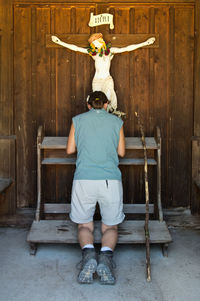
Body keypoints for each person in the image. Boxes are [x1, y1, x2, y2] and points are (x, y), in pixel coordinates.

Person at [66, 91, 126, 284]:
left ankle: (89, 257)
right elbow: (122, 152)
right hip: (110, 180)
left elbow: (70, 150)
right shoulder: (117, 122)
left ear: (89, 105)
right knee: (110, 226)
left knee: (84, 224)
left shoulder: (77, 120)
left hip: (84, 179)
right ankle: (106, 261)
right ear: (107, 104)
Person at [52, 33, 155, 114]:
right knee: (96, 100)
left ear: (101, 42)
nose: (96, 45)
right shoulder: (94, 54)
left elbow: (127, 48)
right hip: (97, 81)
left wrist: (145, 43)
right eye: (94, 44)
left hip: (107, 78)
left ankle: (111, 115)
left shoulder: (110, 51)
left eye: (96, 43)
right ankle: (96, 118)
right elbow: (76, 48)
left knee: (110, 97)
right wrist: (59, 42)